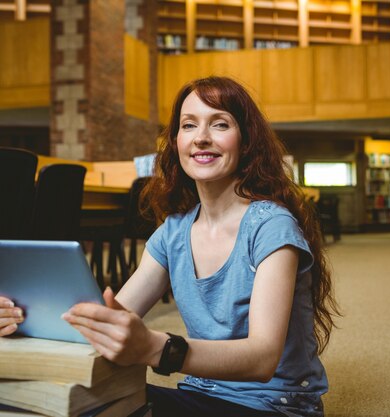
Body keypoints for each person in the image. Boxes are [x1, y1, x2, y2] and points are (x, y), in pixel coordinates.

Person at [0, 76, 340, 417]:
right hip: (199, 393)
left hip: (273, 407)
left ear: (247, 141)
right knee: (55, 401)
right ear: (176, 141)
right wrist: (23, 319)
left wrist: (154, 347)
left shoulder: (271, 226)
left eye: (219, 124)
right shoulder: (174, 231)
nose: (201, 138)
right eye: (189, 125)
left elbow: (262, 358)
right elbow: (115, 316)